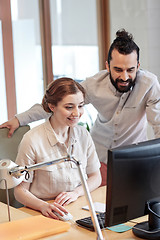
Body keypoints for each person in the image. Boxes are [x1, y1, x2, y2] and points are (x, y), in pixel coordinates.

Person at [1, 29, 160, 186]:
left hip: (133, 161)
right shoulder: (94, 84)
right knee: (98, 207)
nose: (124, 77)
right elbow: (58, 102)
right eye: (118, 69)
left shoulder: (149, 85)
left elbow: (158, 124)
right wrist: (18, 119)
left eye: (130, 70)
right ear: (107, 66)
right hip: (99, 160)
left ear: (138, 65)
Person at [13, 78, 101, 220]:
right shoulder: (32, 140)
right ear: (52, 106)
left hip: (76, 206)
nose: (77, 113)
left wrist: (76, 193)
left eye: (80, 106)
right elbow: (20, 190)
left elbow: (95, 177)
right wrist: (42, 206)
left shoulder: (83, 134)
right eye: (69, 107)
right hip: (43, 211)